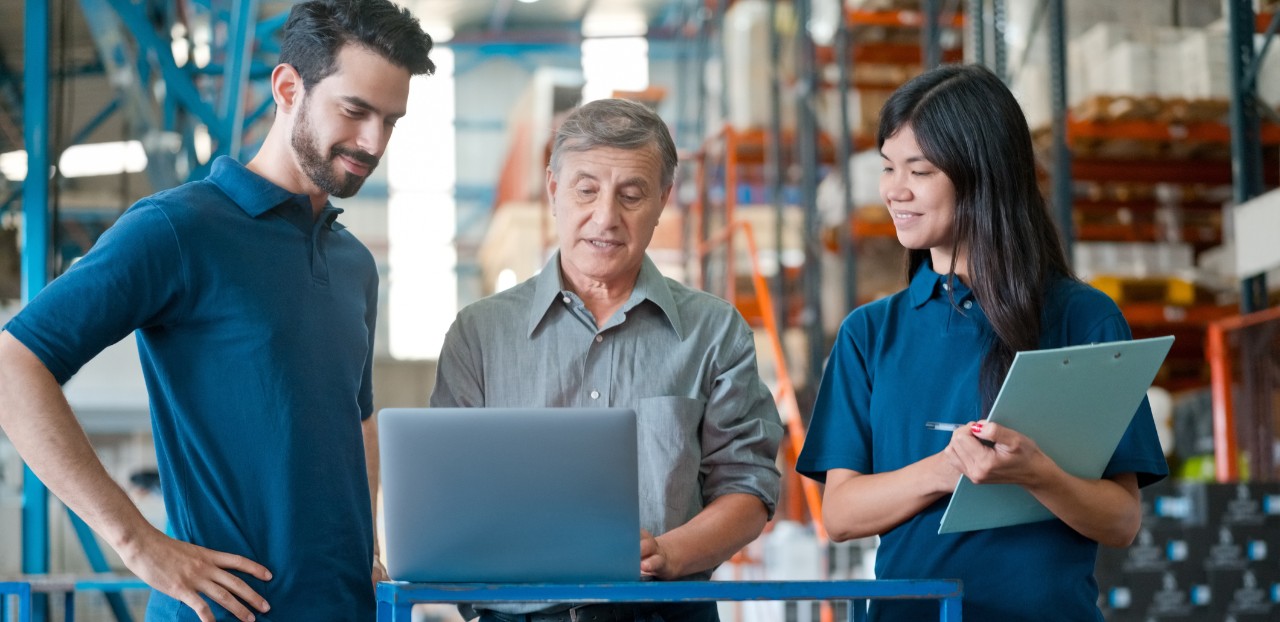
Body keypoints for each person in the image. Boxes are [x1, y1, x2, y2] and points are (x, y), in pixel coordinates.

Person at [0, 1, 433, 620]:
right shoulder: (179, 230)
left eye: (391, 121)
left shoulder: (355, 264)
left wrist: (364, 549)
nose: (373, 142)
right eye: (355, 110)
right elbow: (14, 364)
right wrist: (137, 543)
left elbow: (356, 421)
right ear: (288, 88)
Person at [796, 64, 1168, 621]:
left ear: (982, 175)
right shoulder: (870, 334)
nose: (895, 191)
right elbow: (842, 514)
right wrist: (947, 469)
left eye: (918, 171)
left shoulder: (1082, 319)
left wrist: (1038, 474)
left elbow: (1120, 521)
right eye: (888, 168)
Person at [431, 98, 783, 622]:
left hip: (661, 611)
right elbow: (445, 492)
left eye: (632, 195)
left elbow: (748, 486)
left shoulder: (713, 331)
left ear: (664, 200)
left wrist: (672, 553)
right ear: (554, 190)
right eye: (586, 190)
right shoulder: (480, 333)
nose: (606, 218)